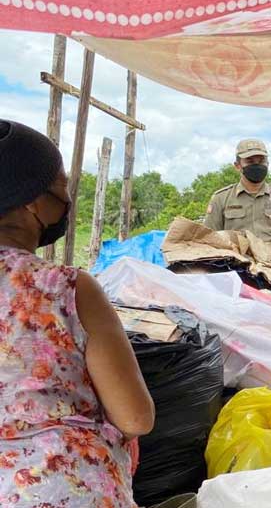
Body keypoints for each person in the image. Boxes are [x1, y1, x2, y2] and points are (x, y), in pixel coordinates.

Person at [0, 119, 155, 507]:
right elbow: (135, 418)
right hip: (60, 487)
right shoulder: (66, 286)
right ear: (33, 202)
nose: (66, 200)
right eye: (62, 188)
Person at [204, 139, 271, 246]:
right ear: (237, 165)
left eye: (261, 161)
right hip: (237, 260)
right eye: (250, 161)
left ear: (267, 164)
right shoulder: (221, 198)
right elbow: (209, 238)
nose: (257, 165)